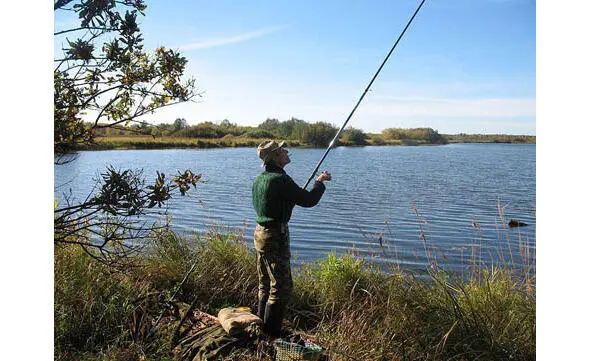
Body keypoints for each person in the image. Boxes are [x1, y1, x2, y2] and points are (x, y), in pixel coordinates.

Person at [252, 140, 331, 337]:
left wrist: (286, 205)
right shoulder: (280, 180)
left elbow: (274, 203)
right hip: (274, 237)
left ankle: (260, 327)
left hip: (260, 234)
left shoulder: (260, 179)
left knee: (265, 284)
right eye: (282, 150)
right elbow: (308, 200)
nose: (287, 151)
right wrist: (319, 182)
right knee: (281, 288)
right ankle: (270, 335)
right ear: (276, 157)